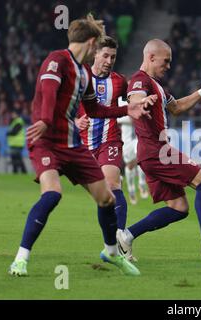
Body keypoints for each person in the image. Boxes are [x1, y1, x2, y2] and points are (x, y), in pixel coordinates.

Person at [8, 14, 154, 277]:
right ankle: (20, 259)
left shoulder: (83, 72)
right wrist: (44, 119)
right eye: (98, 49)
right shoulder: (57, 60)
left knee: (107, 198)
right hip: (48, 142)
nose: (102, 56)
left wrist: (127, 109)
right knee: (52, 194)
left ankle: (111, 252)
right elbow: (49, 91)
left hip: (74, 146)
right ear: (90, 43)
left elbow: (96, 109)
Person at [115, 39, 201, 261]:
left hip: (151, 153)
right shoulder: (140, 81)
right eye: (166, 61)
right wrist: (143, 103)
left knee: (179, 208)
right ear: (151, 57)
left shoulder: (157, 85)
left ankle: (126, 236)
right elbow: (135, 99)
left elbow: (177, 107)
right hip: (156, 150)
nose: (169, 66)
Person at [75, 36, 132, 249]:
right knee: (102, 198)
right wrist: (74, 120)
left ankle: (121, 242)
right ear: (95, 54)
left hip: (110, 140)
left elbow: (132, 102)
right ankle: (112, 242)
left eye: (113, 57)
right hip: (83, 146)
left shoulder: (119, 81)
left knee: (112, 185)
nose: (109, 61)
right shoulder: (80, 77)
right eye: (105, 55)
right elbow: (62, 107)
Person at [117, 114, 149, 205]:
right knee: (130, 165)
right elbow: (115, 118)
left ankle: (142, 183)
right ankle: (131, 189)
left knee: (141, 157)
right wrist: (130, 119)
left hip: (139, 136)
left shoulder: (139, 100)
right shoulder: (119, 102)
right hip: (127, 139)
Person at [6, 109, 27, 174]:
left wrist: (8, 133)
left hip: (18, 143)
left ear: (17, 114)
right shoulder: (15, 121)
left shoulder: (19, 122)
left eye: (13, 113)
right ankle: (16, 172)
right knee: (15, 158)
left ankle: (23, 171)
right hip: (14, 143)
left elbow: (14, 132)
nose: (12, 115)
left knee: (18, 159)